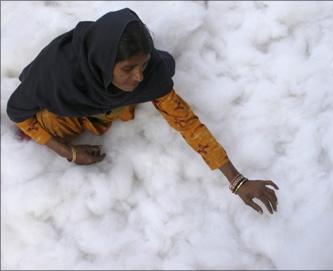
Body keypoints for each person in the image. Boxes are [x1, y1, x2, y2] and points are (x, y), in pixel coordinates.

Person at [7, 8, 279, 215]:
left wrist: (237, 180)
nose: (139, 77)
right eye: (128, 69)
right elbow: (17, 112)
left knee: (157, 74)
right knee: (49, 125)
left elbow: (187, 123)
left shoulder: (151, 75)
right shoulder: (56, 77)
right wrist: (69, 152)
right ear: (103, 62)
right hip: (66, 105)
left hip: (105, 100)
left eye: (144, 64)